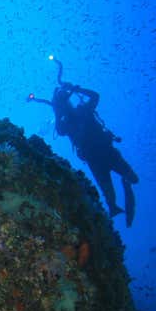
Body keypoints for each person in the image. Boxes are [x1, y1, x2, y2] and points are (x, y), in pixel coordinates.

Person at [50, 82, 139, 226]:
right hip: (94, 160)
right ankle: (115, 206)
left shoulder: (83, 110)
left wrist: (76, 89)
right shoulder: (65, 122)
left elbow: (95, 96)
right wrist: (57, 111)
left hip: (108, 152)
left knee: (133, 179)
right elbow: (60, 131)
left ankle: (126, 183)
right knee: (110, 199)